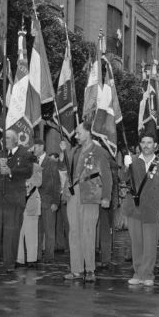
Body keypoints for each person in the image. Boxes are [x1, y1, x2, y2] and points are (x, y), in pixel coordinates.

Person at [59, 121, 113, 283]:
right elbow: (65, 169)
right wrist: (63, 154)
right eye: (76, 133)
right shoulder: (74, 151)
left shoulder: (99, 152)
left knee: (88, 232)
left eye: (79, 132)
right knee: (74, 233)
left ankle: (90, 269)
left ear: (89, 132)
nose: (76, 136)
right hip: (73, 194)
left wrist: (106, 197)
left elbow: (107, 176)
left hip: (90, 194)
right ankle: (76, 270)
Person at [122, 132, 159, 286]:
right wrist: (125, 167)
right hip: (135, 208)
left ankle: (148, 274)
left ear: (155, 145)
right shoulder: (134, 161)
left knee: (150, 244)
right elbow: (124, 179)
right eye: (143, 142)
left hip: (153, 208)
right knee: (136, 243)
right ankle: (137, 272)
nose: (146, 145)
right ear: (139, 145)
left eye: (149, 142)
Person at [0, 129, 34, 274]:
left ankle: (9, 263)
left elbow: (28, 171)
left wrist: (11, 171)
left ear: (15, 140)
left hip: (13, 199)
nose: (3, 140)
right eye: (3, 137)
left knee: (11, 233)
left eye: (7, 137)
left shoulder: (25, 154)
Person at [33, 139, 60, 264]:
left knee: (49, 231)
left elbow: (57, 183)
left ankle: (49, 256)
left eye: (36, 147)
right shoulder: (33, 162)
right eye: (34, 147)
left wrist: (56, 201)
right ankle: (37, 256)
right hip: (34, 201)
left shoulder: (51, 162)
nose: (34, 149)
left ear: (42, 147)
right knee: (37, 231)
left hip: (48, 201)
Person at [17, 161, 43, 267]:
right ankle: (19, 259)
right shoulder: (15, 165)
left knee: (31, 233)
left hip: (31, 202)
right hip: (18, 203)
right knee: (18, 233)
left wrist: (27, 181)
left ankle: (31, 259)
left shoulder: (35, 166)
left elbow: (39, 182)